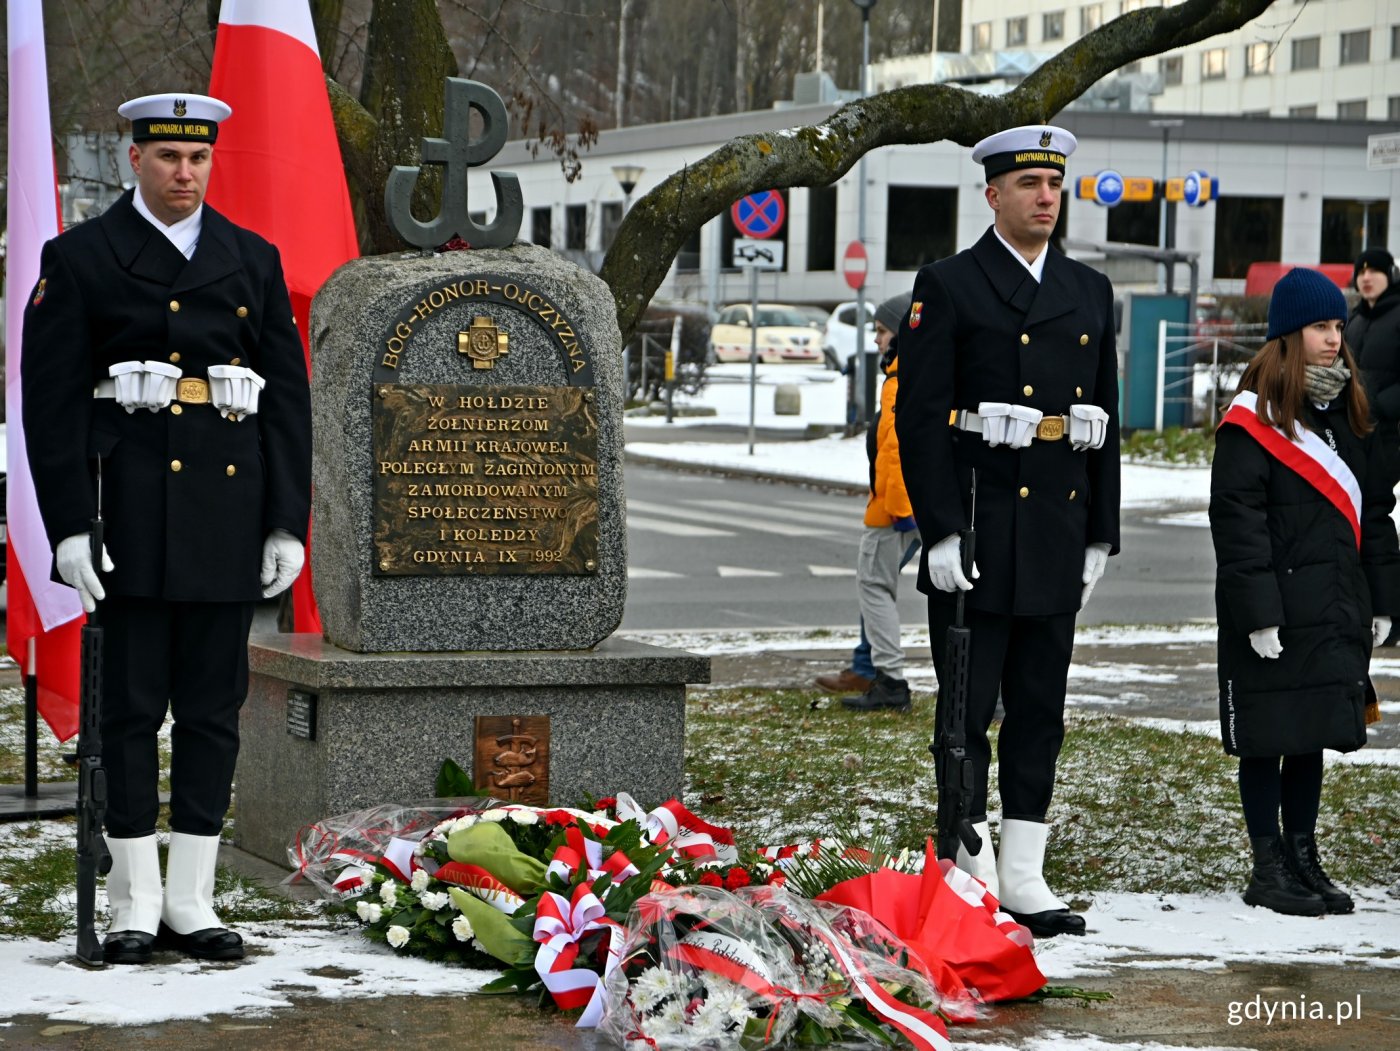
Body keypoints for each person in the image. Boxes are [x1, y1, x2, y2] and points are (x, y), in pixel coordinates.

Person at [21, 93, 312, 964]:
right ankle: (133, 901)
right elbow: (53, 403)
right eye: (168, 158)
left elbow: (285, 401)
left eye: (198, 159)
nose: (185, 173)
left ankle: (193, 898)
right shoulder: (79, 258)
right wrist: (68, 525)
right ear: (133, 160)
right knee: (132, 712)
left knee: (214, 712)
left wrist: (285, 523)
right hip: (129, 518)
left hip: (226, 518)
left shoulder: (250, 259)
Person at [894, 125, 1120, 937]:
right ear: (992, 194)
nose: (1046, 197)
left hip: (1056, 530)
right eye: (1028, 183)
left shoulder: (1091, 290)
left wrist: (1102, 531)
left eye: (1054, 184)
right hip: (981, 530)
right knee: (966, 709)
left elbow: (1107, 417)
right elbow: (919, 419)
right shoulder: (951, 284)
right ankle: (966, 865)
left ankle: (1025, 872)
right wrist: (941, 530)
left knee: (1039, 707)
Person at [1210, 267, 1398, 917]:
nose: (1333, 338)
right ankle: (1268, 864)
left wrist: (1383, 600)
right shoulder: (1249, 421)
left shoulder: (1348, 414)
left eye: (1338, 326)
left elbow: (1373, 514)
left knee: (1310, 733)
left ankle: (1302, 854)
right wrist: (1259, 614)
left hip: (1331, 611)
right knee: (1267, 734)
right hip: (1274, 615)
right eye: (1320, 326)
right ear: (1288, 336)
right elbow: (1238, 525)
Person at [814, 293, 922, 711]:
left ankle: (890, 682)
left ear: (902, 334)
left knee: (875, 586)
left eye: (881, 331)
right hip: (911, 507)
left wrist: (897, 513)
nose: (876, 340)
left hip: (895, 510)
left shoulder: (899, 382)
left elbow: (896, 450)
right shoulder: (917, 375)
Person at [1346, 248, 1400, 481]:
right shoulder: (1353, 320)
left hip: (1388, 434)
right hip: (1351, 429)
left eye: (1375, 270)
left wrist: (1383, 405)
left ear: (1391, 274)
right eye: (1362, 271)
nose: (1366, 277)